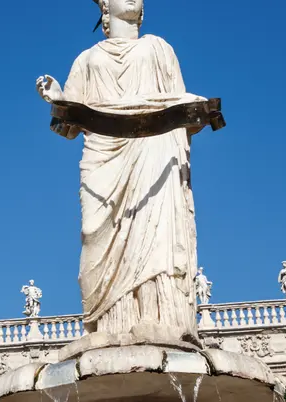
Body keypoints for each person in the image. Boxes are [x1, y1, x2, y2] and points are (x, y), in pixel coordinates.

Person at [36, 0, 207, 342]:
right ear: (104, 8)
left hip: (155, 150)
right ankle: (110, 323)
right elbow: (68, 126)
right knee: (94, 232)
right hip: (105, 158)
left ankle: (159, 318)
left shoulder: (159, 49)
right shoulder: (88, 59)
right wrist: (58, 99)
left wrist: (196, 110)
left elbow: (180, 107)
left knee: (155, 233)